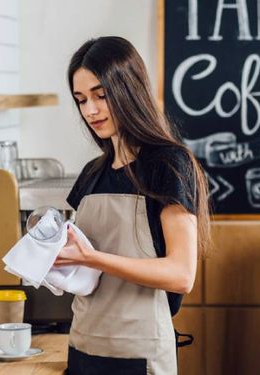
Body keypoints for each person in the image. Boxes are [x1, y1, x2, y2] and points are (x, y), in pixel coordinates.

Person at [56, 36, 210, 375]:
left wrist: (91, 257)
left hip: (138, 354)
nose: (90, 110)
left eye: (101, 95)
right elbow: (89, 270)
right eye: (81, 100)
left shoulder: (168, 164)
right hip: (84, 345)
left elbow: (181, 275)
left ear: (128, 89)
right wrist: (56, 262)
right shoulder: (92, 174)